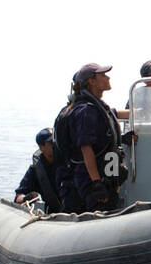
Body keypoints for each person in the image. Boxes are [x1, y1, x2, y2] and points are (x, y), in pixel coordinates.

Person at [54, 63, 126, 213]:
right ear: (91, 81)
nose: (108, 77)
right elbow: (86, 148)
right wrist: (96, 183)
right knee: (97, 212)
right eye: (103, 75)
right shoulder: (85, 111)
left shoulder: (97, 107)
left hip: (106, 173)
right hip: (91, 178)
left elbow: (112, 120)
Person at [14, 128, 64, 211]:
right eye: (51, 143)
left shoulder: (67, 162)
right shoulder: (36, 170)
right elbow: (19, 196)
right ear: (41, 147)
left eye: (57, 141)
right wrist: (26, 198)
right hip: (54, 213)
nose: (55, 145)